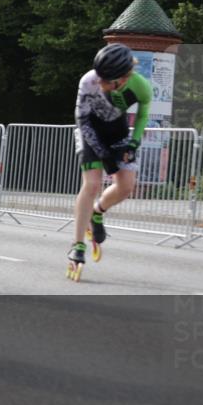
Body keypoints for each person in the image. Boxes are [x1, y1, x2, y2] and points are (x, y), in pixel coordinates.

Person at [68, 43, 150, 280]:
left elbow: (143, 114)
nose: (100, 83)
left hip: (118, 133)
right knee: (92, 184)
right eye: (100, 77)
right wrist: (102, 154)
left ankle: (98, 211)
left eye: (106, 81)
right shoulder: (88, 80)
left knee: (126, 187)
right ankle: (77, 245)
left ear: (123, 78)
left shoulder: (140, 86)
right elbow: (82, 120)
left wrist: (134, 143)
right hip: (90, 132)